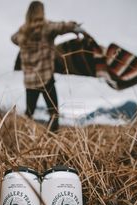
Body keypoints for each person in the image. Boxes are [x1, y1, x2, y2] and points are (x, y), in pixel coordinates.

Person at [11, 1, 83, 132]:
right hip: (46, 78)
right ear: (41, 12)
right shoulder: (46, 27)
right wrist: (75, 27)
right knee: (54, 113)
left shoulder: (22, 31)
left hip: (29, 81)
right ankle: (52, 141)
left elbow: (13, 38)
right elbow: (61, 27)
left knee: (29, 114)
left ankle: (23, 137)